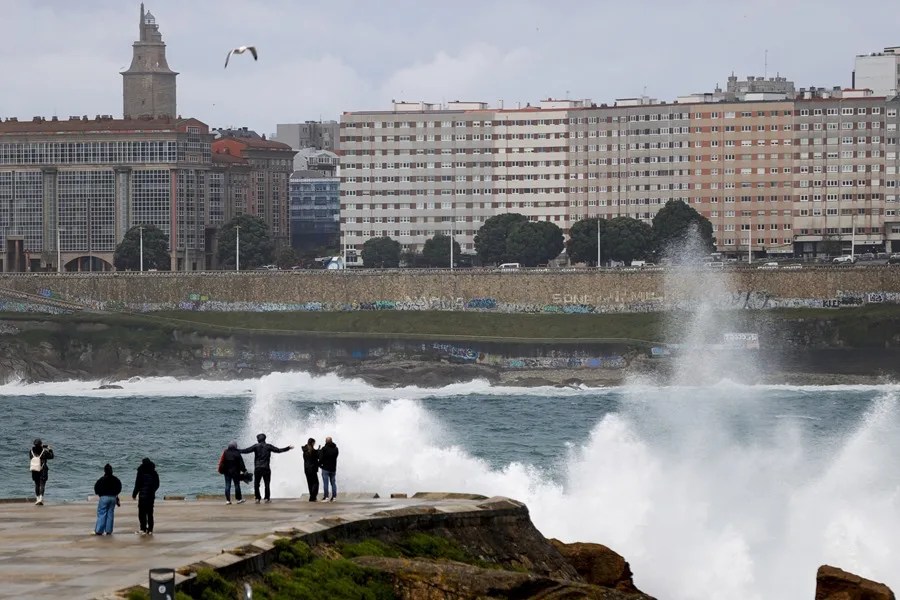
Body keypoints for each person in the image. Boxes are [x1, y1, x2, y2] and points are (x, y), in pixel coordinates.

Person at [239, 433, 294, 504]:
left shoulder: (256, 446)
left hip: (258, 468)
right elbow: (278, 450)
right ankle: (267, 498)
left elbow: (246, 450)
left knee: (256, 484)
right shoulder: (268, 446)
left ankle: (257, 498)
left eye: (257, 438)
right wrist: (288, 448)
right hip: (266, 468)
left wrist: (236, 450)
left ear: (259, 439)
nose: (257, 439)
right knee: (267, 484)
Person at [131, 458, 160, 535]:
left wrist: (134, 494)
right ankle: (150, 529)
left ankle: (143, 528)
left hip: (142, 496)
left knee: (142, 513)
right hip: (150, 495)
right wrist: (153, 490)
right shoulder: (154, 473)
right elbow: (157, 484)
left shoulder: (140, 472)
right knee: (150, 513)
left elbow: (137, 484)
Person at [93, 464, 122, 535]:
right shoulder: (116, 479)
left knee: (102, 513)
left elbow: (96, 488)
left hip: (104, 497)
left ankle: (99, 530)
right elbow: (119, 487)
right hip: (113, 497)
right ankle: (109, 530)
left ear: (104, 470)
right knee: (110, 513)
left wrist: (99, 494)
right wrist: (116, 494)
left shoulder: (102, 479)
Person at [28, 438, 54, 506]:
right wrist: (49, 448)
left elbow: (31, 458)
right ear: (40, 444)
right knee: (42, 484)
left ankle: (37, 498)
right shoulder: (44, 451)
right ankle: (41, 499)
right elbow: (51, 456)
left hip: (34, 470)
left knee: (37, 484)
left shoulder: (31, 451)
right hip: (43, 470)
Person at [319, 436, 339, 502]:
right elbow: (336, 456)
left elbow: (321, 458)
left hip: (325, 468)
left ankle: (326, 497)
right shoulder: (336, 449)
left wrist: (320, 464)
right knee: (333, 483)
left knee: (326, 483)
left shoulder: (324, 449)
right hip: (333, 468)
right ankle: (334, 497)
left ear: (326, 441)